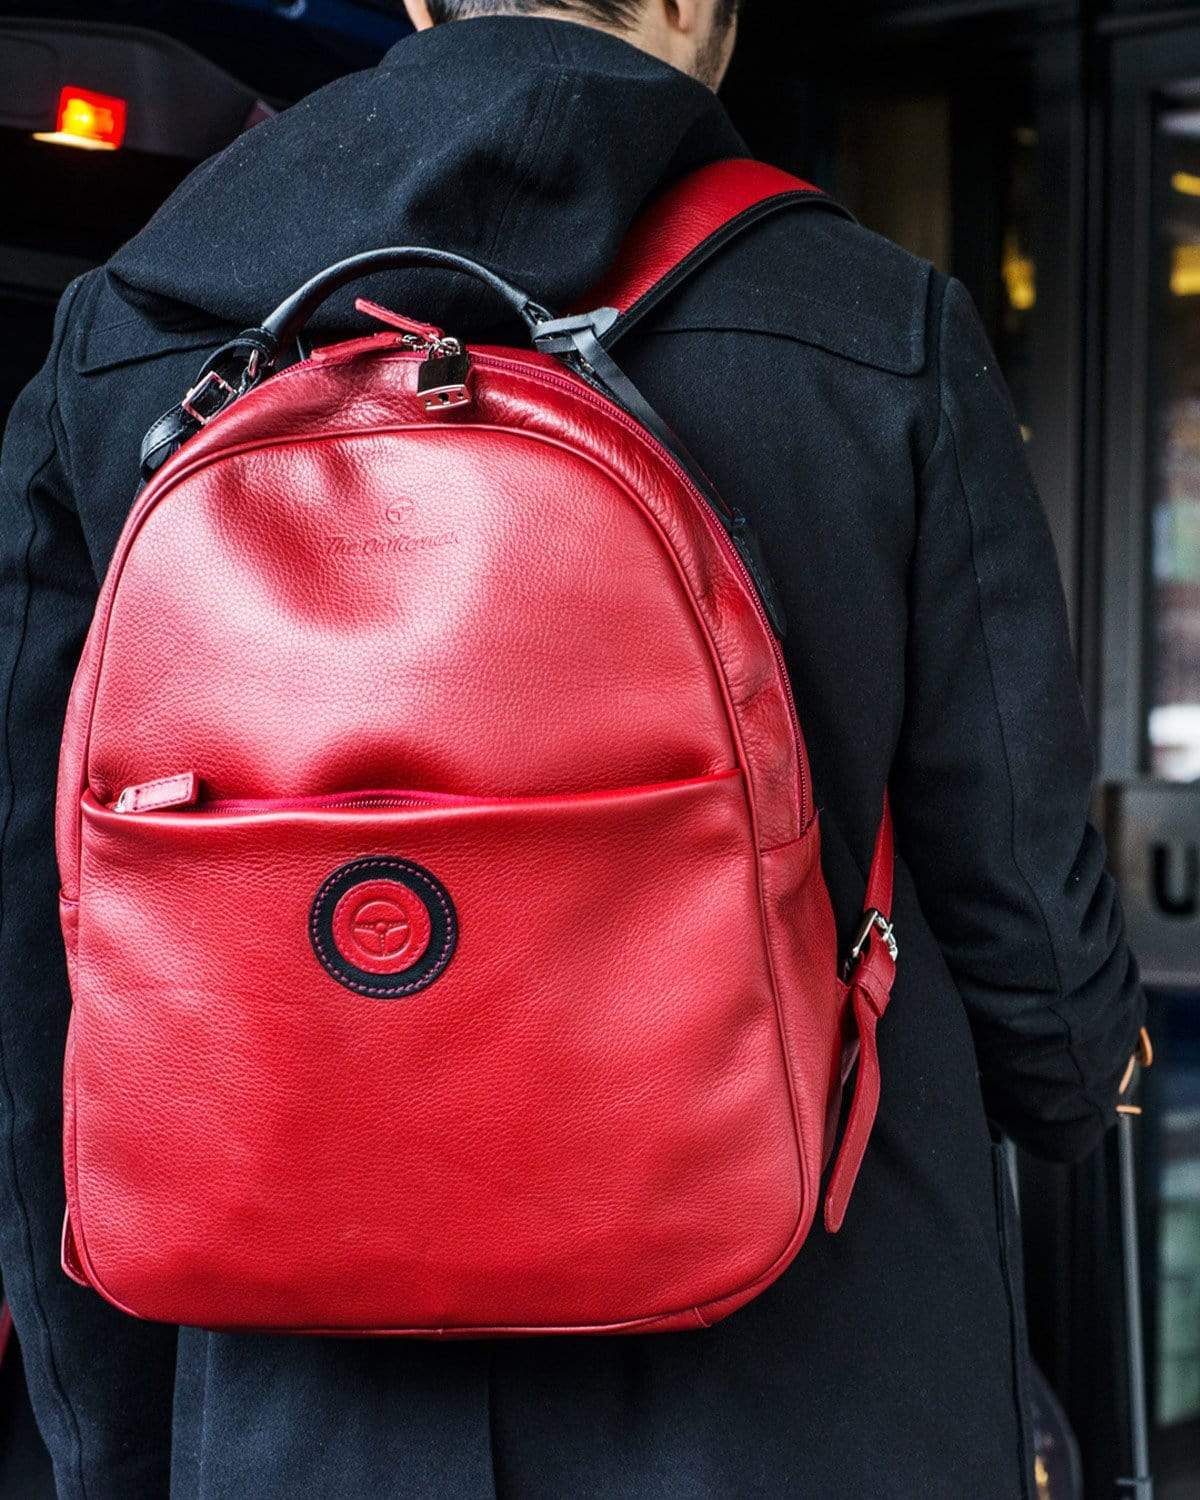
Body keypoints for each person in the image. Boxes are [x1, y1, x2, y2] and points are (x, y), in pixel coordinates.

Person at [0, 2, 1145, 1496]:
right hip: (812, 1381)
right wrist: (1079, 1083)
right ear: (704, 11)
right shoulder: (873, 325)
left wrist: (114, 1442)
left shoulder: (125, 337)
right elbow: (1034, 946)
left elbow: (37, 953)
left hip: (302, 1413)